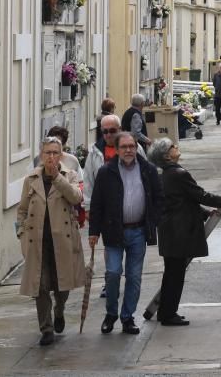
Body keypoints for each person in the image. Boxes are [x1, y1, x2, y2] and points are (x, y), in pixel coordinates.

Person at [149, 139, 221, 326]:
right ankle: (169, 313)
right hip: (179, 231)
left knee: (171, 273)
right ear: (166, 155)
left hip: (170, 231)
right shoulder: (179, 174)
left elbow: (182, 201)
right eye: (173, 146)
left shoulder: (165, 175)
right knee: (176, 275)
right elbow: (199, 195)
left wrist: (204, 212)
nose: (176, 147)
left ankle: (165, 311)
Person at [88, 132, 163, 335]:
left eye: (131, 146)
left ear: (136, 147)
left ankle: (127, 317)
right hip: (113, 231)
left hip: (138, 231)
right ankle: (111, 313)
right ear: (117, 149)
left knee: (134, 277)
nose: (128, 150)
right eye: (124, 147)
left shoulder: (148, 170)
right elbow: (96, 204)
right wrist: (93, 231)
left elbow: (158, 198)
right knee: (112, 274)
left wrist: (153, 221)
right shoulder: (106, 172)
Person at [17, 136, 88, 346]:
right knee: (40, 287)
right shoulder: (31, 179)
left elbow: (76, 198)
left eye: (55, 152)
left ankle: (60, 310)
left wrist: (57, 177)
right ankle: (46, 329)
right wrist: (21, 232)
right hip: (38, 243)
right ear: (41, 154)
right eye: (47, 152)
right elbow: (21, 210)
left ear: (61, 154)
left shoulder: (70, 175)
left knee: (62, 286)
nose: (51, 157)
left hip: (63, 242)